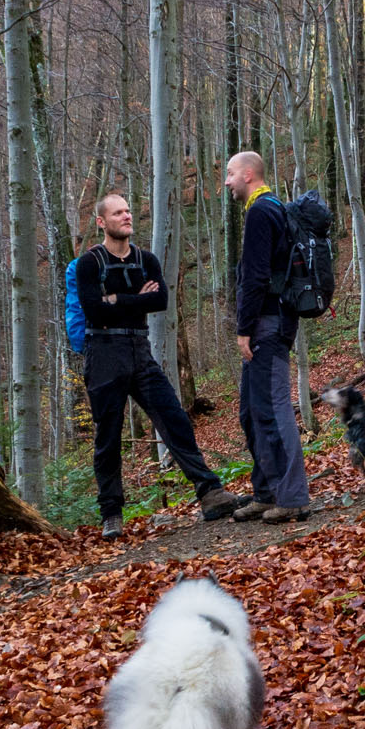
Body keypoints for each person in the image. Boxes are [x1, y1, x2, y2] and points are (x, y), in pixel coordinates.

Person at [76, 193, 241, 537]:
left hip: (139, 349)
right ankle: (112, 514)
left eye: (128, 211)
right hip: (103, 352)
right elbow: (93, 310)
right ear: (101, 222)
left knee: (174, 418)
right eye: (118, 213)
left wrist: (117, 299)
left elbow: (160, 300)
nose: (126, 216)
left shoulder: (145, 260)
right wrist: (136, 300)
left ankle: (210, 493)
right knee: (107, 435)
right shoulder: (89, 263)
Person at [227, 152, 310, 523]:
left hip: (268, 325)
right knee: (251, 410)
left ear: (248, 174)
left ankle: (292, 497)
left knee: (274, 409)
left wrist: (244, 329)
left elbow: (256, 277)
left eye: (229, 174)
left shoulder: (262, 211)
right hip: (270, 322)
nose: (226, 182)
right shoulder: (270, 208)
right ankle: (266, 492)